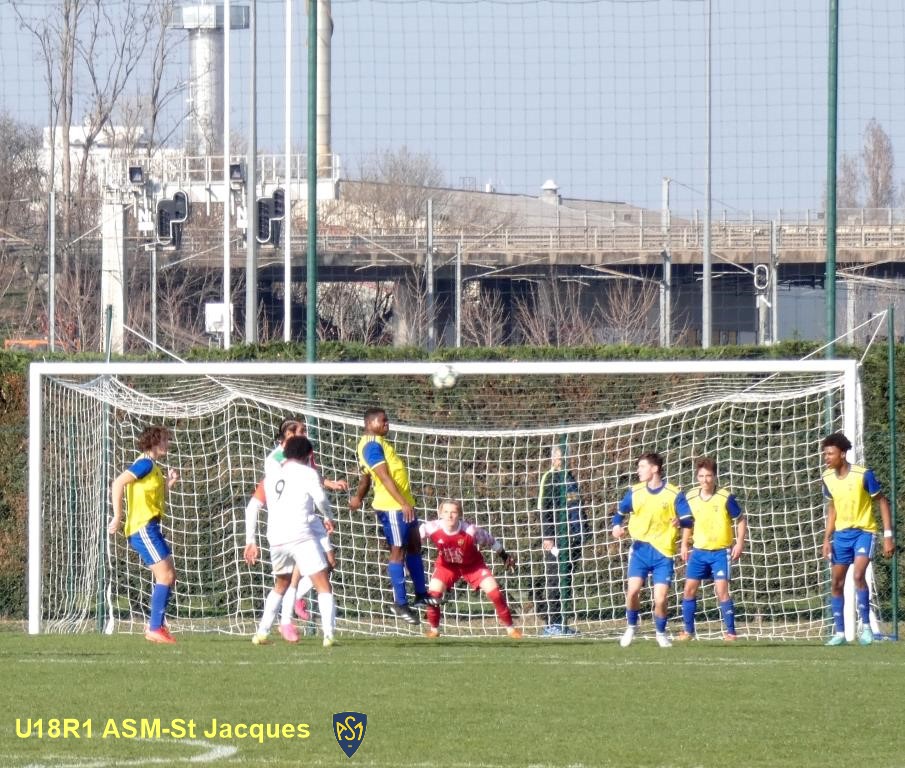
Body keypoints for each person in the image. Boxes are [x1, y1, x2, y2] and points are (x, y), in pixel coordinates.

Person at [245, 418, 347, 642]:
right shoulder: (300, 471)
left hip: (277, 537)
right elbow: (321, 499)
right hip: (301, 532)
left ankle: (262, 632)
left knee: (281, 583)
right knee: (322, 582)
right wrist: (329, 518)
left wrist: (251, 540)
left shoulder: (271, 477)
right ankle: (328, 634)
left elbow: (255, 504)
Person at [350, 406, 429, 625]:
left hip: (404, 504)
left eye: (387, 420)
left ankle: (421, 595)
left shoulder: (379, 442)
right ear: (369, 423)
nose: (387, 423)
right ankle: (400, 603)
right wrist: (402, 503)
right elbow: (383, 477)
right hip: (393, 506)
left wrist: (358, 498)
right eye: (382, 420)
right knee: (398, 551)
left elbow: (366, 477)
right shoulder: (371, 445)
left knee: (414, 545)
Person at [820, 432, 894, 646]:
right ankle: (840, 633)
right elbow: (832, 509)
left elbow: (882, 502)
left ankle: (867, 628)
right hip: (841, 536)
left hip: (864, 533)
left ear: (842, 454)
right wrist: (826, 539)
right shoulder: (827, 477)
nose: (826, 458)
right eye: (825, 454)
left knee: (859, 575)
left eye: (830, 454)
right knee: (836, 583)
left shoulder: (863, 475)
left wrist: (887, 536)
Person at [108, 425, 180, 644]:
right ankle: (155, 628)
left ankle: (157, 626)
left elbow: (151, 494)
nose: (168, 444)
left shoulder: (153, 467)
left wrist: (168, 484)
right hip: (143, 528)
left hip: (151, 527)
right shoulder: (145, 463)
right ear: (154, 442)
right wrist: (117, 516)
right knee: (165, 576)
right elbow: (118, 483)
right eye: (165, 440)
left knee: (170, 575)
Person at [612, 452, 692, 648]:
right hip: (640, 550)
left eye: (642, 467)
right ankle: (631, 627)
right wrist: (616, 527)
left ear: (654, 469)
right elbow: (619, 513)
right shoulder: (635, 492)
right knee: (632, 592)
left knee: (661, 598)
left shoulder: (674, 493)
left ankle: (660, 633)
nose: (638, 471)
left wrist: (680, 521)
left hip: (663, 553)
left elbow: (689, 520)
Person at [419, 500, 521, 639]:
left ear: (460, 514)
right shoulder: (431, 527)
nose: (449, 515)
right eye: (446, 512)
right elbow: (414, 538)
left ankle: (511, 629)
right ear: (440, 514)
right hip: (447, 566)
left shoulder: (470, 530)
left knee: (495, 594)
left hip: (473, 566)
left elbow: (490, 540)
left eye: (454, 512)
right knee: (433, 595)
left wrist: (505, 556)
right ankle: (434, 630)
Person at [677, 457, 747, 641]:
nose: (705, 480)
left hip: (720, 552)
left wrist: (739, 542)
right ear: (697, 477)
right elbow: (688, 522)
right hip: (698, 552)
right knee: (688, 590)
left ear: (715, 476)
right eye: (701, 476)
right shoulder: (691, 496)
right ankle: (688, 632)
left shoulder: (725, 497)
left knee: (722, 591)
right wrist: (684, 544)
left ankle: (731, 632)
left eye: (708, 476)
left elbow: (740, 519)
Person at [537, 446, 587, 636]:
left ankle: (563, 623)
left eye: (565, 457)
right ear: (553, 459)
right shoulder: (550, 478)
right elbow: (544, 510)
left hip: (573, 538)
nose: (562, 460)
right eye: (559, 457)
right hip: (557, 537)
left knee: (566, 579)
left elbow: (576, 507)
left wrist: (583, 531)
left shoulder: (570, 478)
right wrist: (547, 536)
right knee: (554, 578)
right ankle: (552, 623)